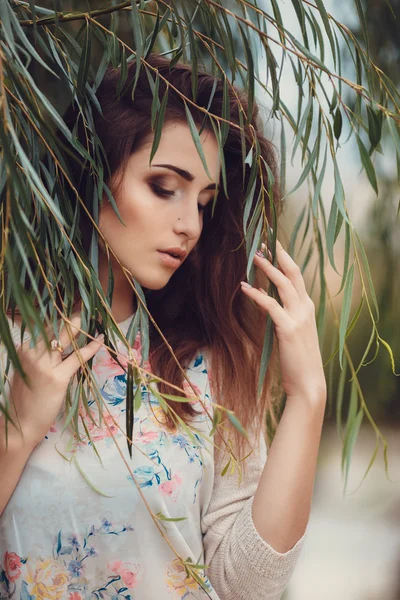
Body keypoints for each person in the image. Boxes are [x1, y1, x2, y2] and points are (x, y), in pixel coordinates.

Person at [0, 53, 327, 599]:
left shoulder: (210, 365)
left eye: (203, 201)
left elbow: (243, 586)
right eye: (162, 186)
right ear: (94, 170)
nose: (190, 225)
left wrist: (308, 396)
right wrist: (17, 430)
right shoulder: (13, 347)